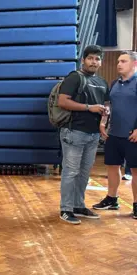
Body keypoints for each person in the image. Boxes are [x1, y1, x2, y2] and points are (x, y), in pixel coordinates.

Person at [57, 45, 110, 225]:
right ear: (83, 60)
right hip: (74, 132)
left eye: (97, 59)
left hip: (93, 135)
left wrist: (104, 115)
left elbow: (105, 103)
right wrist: (89, 108)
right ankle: (66, 209)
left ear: (100, 62)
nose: (94, 62)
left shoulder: (102, 82)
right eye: (91, 58)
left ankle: (78, 205)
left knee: (84, 173)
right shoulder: (74, 78)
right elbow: (63, 101)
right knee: (71, 172)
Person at [94, 51, 137, 216]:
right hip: (115, 134)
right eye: (118, 61)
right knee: (112, 166)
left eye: (123, 61)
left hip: (132, 135)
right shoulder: (115, 83)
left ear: (134, 64)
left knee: (135, 170)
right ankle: (112, 199)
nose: (119, 64)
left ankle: (136, 204)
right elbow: (109, 105)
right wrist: (103, 122)